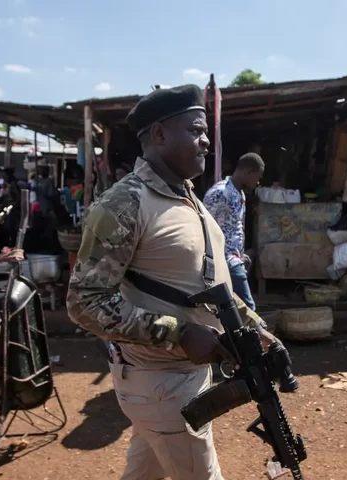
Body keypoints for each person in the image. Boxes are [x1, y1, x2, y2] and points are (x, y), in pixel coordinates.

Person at [66, 84, 279, 480]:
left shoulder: (189, 199)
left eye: (205, 133)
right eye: (196, 131)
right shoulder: (125, 203)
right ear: (160, 133)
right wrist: (178, 333)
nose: (206, 142)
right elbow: (85, 302)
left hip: (180, 380)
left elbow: (211, 286)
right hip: (160, 383)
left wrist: (255, 326)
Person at [203, 153, 265, 311]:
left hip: (235, 260)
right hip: (224, 260)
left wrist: (241, 255)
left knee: (233, 309)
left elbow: (235, 229)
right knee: (248, 308)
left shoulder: (240, 194)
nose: (258, 182)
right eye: (257, 177)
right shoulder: (219, 192)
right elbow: (202, 225)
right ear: (248, 172)